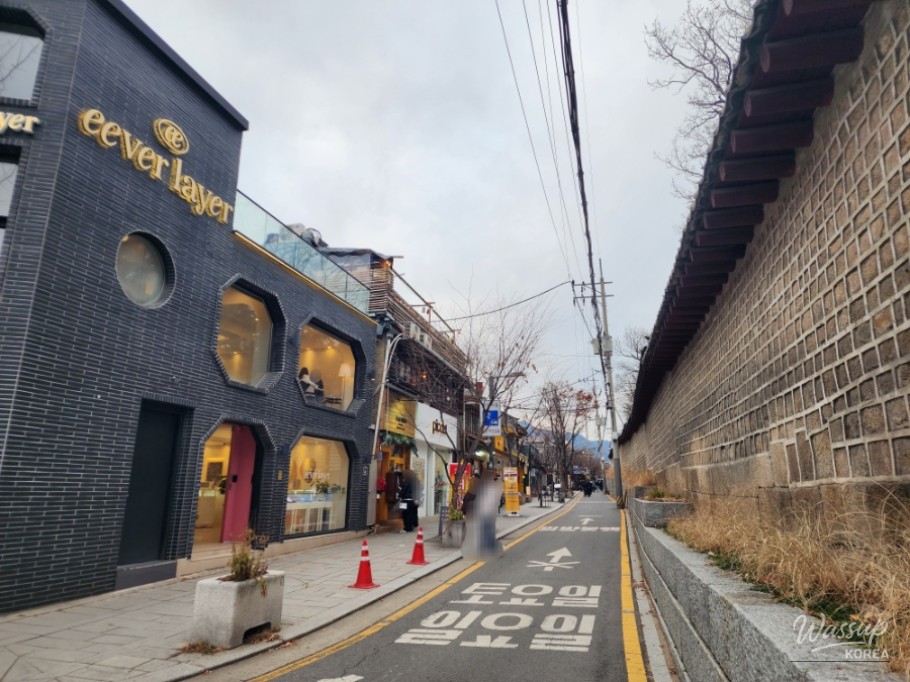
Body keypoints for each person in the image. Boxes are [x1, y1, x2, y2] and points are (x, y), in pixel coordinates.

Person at [398, 468, 422, 533]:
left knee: (406, 514)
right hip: (414, 500)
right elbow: (420, 490)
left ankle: (408, 528)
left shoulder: (407, 481)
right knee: (413, 513)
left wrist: (399, 495)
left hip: (407, 500)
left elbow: (403, 490)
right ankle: (414, 524)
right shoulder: (417, 481)